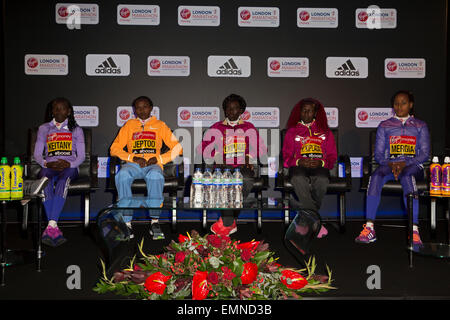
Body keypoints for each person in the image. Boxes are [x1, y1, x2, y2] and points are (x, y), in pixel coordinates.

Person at [355, 90, 430, 245]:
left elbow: (424, 154)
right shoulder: (385, 125)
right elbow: (379, 154)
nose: (399, 106)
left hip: (413, 166)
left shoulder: (420, 125)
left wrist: (405, 163)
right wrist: (392, 164)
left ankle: (414, 231)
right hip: (389, 165)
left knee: (407, 177)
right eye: (396, 103)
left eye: (403, 103)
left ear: (410, 105)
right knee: (375, 176)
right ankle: (369, 228)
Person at [110, 96, 182, 240]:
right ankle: (127, 222)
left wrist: (159, 158)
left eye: (145, 107)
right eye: (138, 107)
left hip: (153, 164)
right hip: (133, 164)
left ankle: (155, 221)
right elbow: (114, 148)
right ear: (134, 110)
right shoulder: (129, 125)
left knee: (155, 176)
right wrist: (132, 158)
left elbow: (177, 148)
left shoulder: (160, 125)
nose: (141, 110)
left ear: (151, 108)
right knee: (122, 175)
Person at [197, 94, 267, 236]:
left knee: (246, 180)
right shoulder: (216, 127)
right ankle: (230, 222)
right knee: (226, 182)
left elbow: (261, 148)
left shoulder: (249, 127)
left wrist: (249, 157)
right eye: (228, 109)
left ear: (241, 110)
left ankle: (227, 220)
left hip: (243, 166)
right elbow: (202, 148)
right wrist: (216, 156)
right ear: (224, 111)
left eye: (235, 109)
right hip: (223, 166)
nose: (231, 112)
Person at [282, 98, 337, 242]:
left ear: (315, 113)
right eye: (304, 110)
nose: (306, 113)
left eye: (310, 110)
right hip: (299, 166)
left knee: (323, 180)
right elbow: (286, 157)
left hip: (319, 167)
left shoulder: (325, 132)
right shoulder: (292, 132)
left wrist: (322, 162)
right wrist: (299, 160)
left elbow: (332, 157)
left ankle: (304, 220)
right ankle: (316, 222)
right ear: (299, 112)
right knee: (297, 178)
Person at [34, 97, 85, 247]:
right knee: (44, 180)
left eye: (62, 108)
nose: (59, 111)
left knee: (63, 181)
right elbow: (37, 154)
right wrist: (45, 163)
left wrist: (69, 163)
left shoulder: (76, 129)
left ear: (69, 111)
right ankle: (53, 227)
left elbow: (81, 156)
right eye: (56, 108)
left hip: (69, 167)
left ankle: (50, 226)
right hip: (49, 166)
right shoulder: (44, 128)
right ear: (52, 111)